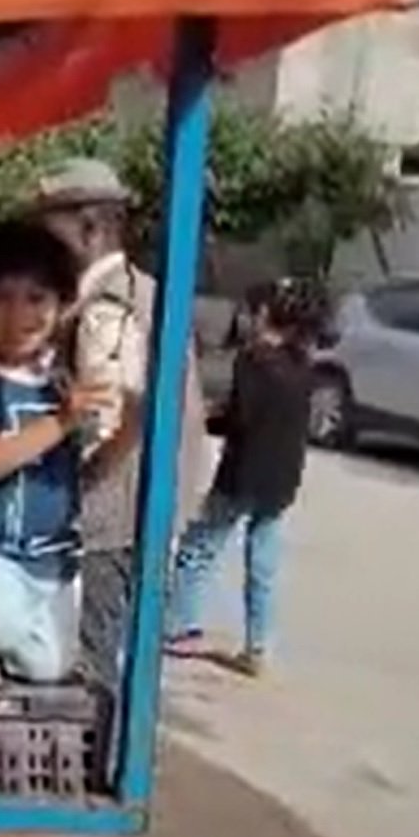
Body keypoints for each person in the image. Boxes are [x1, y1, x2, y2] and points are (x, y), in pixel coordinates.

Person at [32, 157, 210, 693]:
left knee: (94, 665)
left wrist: (71, 484)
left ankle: (106, 745)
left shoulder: (107, 307)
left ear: (90, 227)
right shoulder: (145, 289)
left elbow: (112, 420)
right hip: (148, 506)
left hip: (114, 517)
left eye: (49, 234)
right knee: (119, 653)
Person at [0, 221, 118, 685]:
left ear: (61, 304)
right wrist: (60, 422)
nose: (18, 316)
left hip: (53, 559)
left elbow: (83, 471)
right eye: (0, 300)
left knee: (49, 667)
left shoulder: (64, 384)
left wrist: (132, 427)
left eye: (36, 299)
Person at [162, 277, 331, 677]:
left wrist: (208, 418)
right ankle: (259, 645)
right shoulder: (304, 365)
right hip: (282, 478)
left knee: (199, 547)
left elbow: (242, 417)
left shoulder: (253, 361)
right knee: (264, 561)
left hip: (242, 473)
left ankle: (179, 626)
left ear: (264, 315)